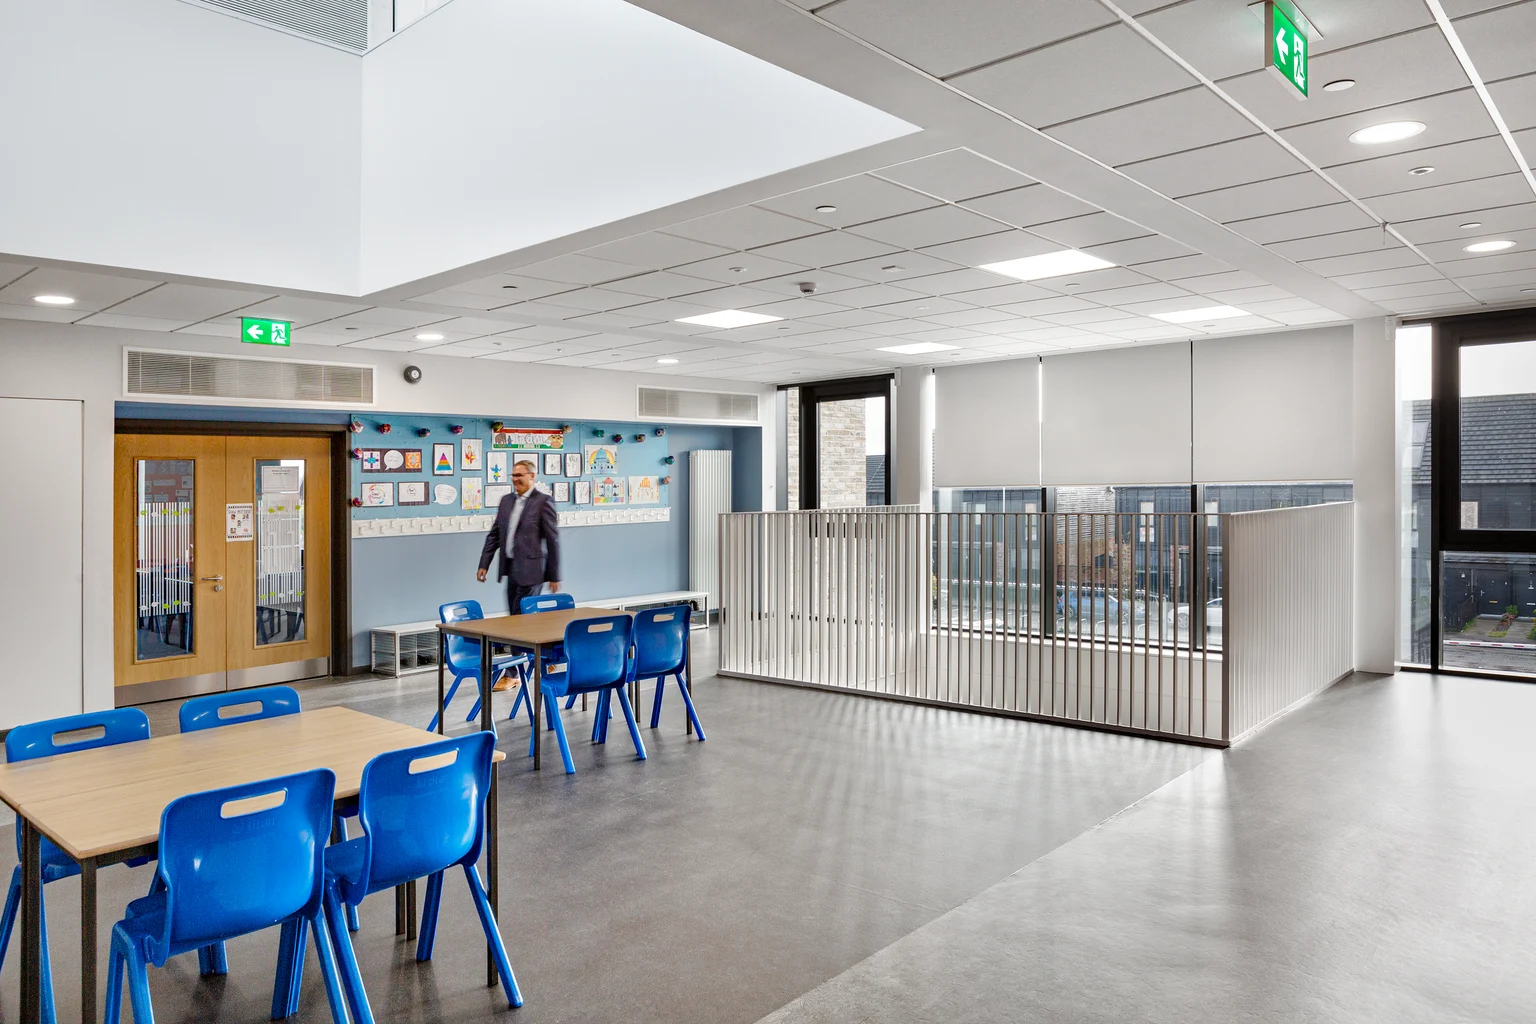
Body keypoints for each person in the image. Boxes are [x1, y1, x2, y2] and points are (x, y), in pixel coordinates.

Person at [477, 459, 561, 641]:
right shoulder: (506, 501)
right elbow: (495, 534)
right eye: (513, 475)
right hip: (511, 569)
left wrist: (553, 576)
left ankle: (517, 665)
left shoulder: (543, 502)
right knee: (514, 618)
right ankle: (520, 661)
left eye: (519, 475)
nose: (515, 479)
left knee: (520, 618)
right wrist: (485, 563)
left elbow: (553, 540)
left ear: (532, 476)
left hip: (532, 572)